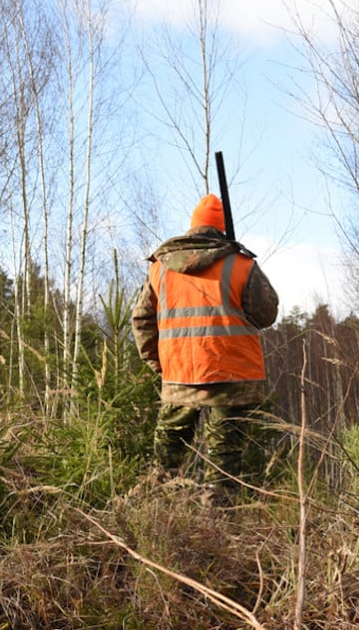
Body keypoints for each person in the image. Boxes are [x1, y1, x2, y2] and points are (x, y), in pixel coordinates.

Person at [132, 194, 278, 497]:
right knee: (225, 460)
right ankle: (218, 518)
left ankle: (160, 513)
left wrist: (161, 365)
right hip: (233, 378)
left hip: (179, 375)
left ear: (193, 227)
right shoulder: (242, 265)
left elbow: (141, 321)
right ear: (221, 229)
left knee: (167, 459)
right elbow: (267, 315)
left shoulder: (161, 267)